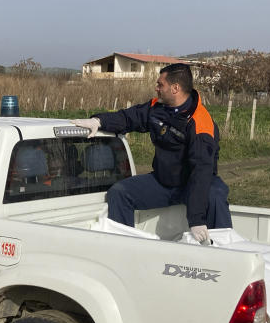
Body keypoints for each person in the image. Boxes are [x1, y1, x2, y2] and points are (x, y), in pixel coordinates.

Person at [71, 63, 230, 243]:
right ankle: (123, 246)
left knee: (215, 194)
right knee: (120, 193)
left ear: (175, 88)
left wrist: (197, 219)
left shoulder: (201, 123)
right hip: (164, 183)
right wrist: (99, 121)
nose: (156, 88)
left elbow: (201, 171)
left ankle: (224, 251)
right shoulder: (157, 107)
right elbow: (128, 118)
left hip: (193, 184)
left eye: (160, 84)